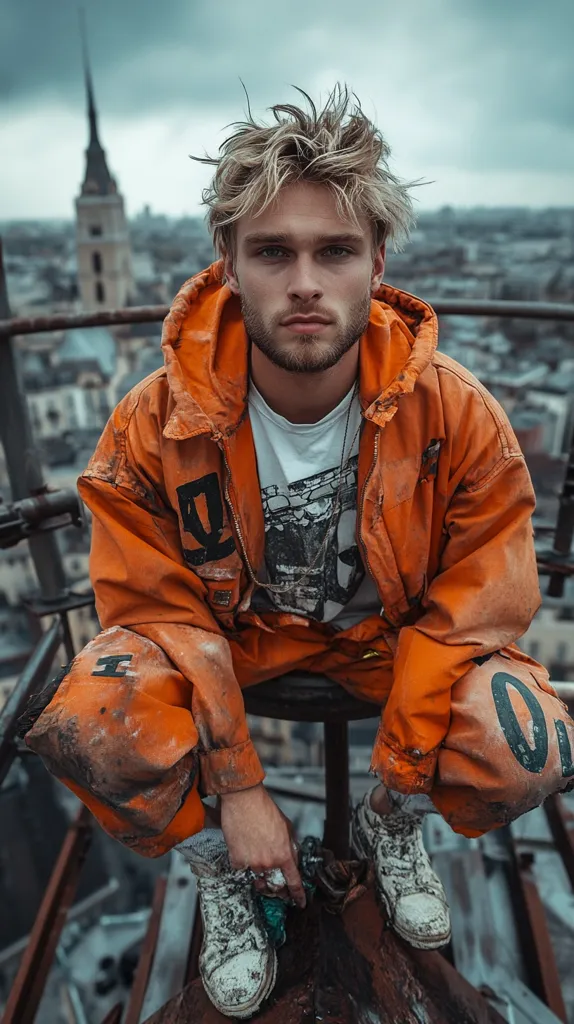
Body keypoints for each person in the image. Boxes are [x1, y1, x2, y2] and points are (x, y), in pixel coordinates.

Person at [24, 85, 574, 1020]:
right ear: (228, 265)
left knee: (532, 741)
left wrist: (396, 777)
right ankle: (216, 868)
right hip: (231, 649)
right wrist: (236, 791)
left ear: (378, 263)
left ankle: (394, 829)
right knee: (91, 719)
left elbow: (481, 599)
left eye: (335, 251)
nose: (306, 282)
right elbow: (153, 610)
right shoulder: (152, 425)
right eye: (274, 252)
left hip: (394, 653)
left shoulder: (458, 414)